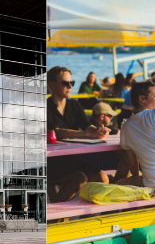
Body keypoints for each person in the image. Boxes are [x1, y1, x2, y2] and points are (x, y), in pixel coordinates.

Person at [47, 67, 110, 202]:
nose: (70, 86)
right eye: (65, 83)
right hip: (50, 161)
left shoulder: (75, 105)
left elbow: (87, 124)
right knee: (80, 179)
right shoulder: (44, 107)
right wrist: (87, 134)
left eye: (72, 83)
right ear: (52, 85)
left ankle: (89, 219)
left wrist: (98, 130)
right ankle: (54, 219)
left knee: (103, 178)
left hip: (71, 159)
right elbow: (55, 132)